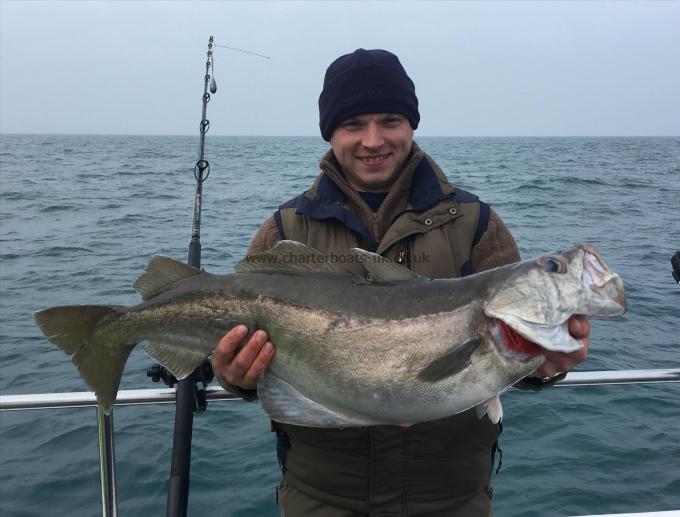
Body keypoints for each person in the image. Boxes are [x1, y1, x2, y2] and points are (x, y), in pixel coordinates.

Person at [212, 49, 590, 516]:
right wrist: (235, 377)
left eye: (390, 120)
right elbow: (241, 362)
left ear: (411, 124)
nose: (373, 140)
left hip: (452, 496)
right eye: (353, 124)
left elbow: (511, 360)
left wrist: (545, 365)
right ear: (330, 132)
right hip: (321, 496)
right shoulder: (285, 231)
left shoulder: (477, 225)